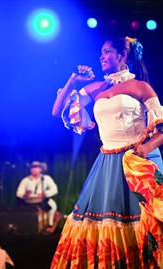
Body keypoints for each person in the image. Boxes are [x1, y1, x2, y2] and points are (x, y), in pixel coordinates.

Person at [50, 36, 163, 268]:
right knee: (104, 222)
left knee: (143, 221)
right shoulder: (96, 88)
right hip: (107, 164)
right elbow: (57, 111)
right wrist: (74, 80)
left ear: (122, 56)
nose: (101, 55)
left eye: (108, 51)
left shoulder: (141, 87)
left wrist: (146, 148)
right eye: (101, 51)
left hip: (137, 162)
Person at [16, 161, 58, 229]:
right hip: (29, 201)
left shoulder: (46, 178)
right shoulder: (26, 180)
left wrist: (45, 193)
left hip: (42, 200)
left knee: (53, 205)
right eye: (32, 167)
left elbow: (54, 189)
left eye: (36, 167)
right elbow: (18, 193)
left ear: (41, 169)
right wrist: (25, 195)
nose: (34, 169)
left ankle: (49, 224)